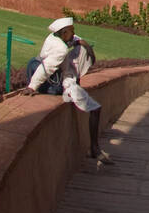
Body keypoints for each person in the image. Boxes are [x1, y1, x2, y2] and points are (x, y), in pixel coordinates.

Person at [24, 16, 112, 163]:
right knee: (95, 109)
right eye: (71, 31)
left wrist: (84, 44)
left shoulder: (55, 36)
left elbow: (75, 39)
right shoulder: (61, 49)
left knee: (81, 48)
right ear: (64, 33)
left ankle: (94, 148)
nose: (73, 34)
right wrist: (32, 87)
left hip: (51, 74)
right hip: (52, 83)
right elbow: (47, 68)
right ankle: (94, 149)